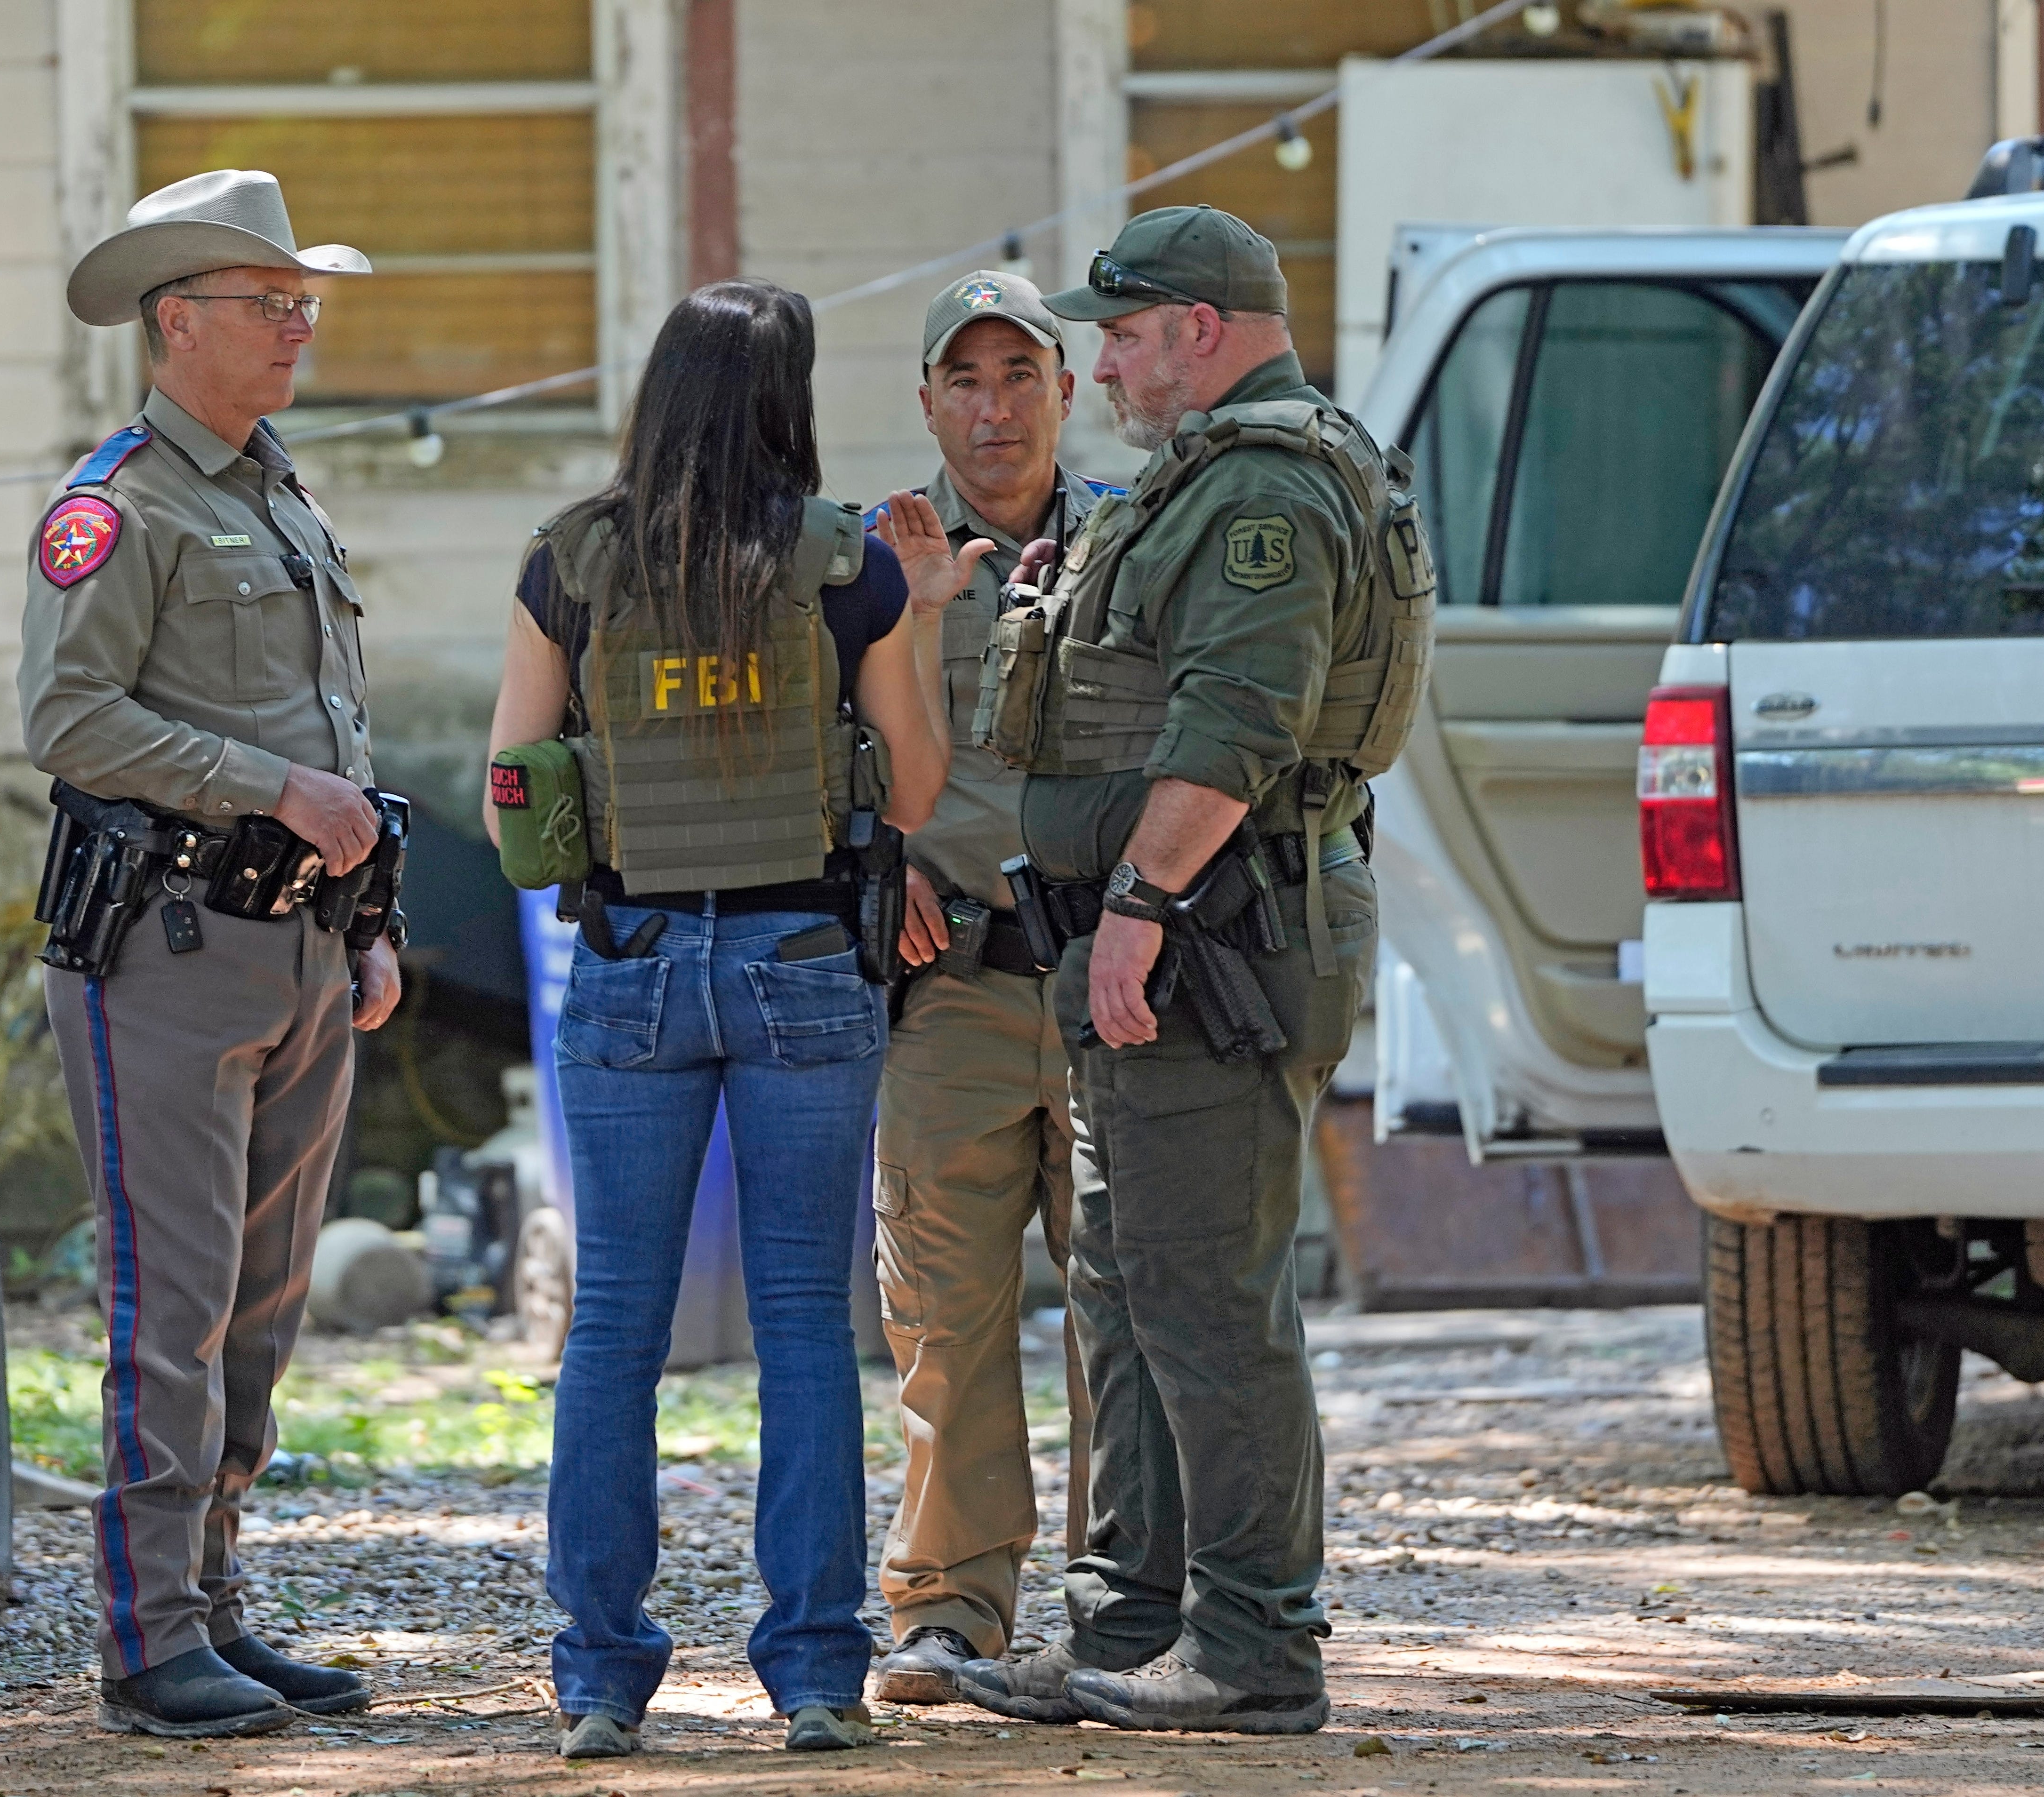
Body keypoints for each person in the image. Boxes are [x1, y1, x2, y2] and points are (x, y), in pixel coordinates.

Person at [481, 278, 974, 1759]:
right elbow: (917, 791)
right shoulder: (846, 571)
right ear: (788, 399)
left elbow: (515, 792)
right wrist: (929, 621)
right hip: (806, 956)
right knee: (806, 1326)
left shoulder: (568, 562)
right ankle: (817, 1675)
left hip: (628, 962)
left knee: (615, 1326)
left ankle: (600, 1679)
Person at [952, 206, 1424, 1734]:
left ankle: (1256, 1642)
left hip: (1213, 933)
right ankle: (1132, 1622)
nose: (1102, 366)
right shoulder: (1217, 472)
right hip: (1174, 929)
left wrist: (1144, 902)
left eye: (1126, 334)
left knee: (1208, 1298)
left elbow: (1237, 722)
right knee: (1131, 1285)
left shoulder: (1264, 488)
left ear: (1202, 330)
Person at [20, 168, 407, 1740]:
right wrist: (274, 793)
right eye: (270, 303)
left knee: (258, 1303)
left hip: (297, 946)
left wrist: (364, 927)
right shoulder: (120, 503)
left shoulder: (277, 491)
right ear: (176, 323)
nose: (298, 325)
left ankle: (216, 1612)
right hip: (165, 954)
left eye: (302, 301)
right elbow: (67, 719)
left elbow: (335, 727)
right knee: (169, 1300)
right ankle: (148, 1637)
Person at [862, 271, 1113, 1707]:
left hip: (1106, 978)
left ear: (1068, 393)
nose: (995, 404)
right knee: (945, 1318)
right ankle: (953, 1610)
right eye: (966, 377)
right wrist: (867, 855)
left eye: (1022, 373)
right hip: (945, 980)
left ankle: (1123, 1603)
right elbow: (822, 746)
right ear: (930, 403)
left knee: (1121, 1306)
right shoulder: (872, 556)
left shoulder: (1132, 546)